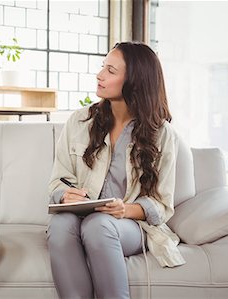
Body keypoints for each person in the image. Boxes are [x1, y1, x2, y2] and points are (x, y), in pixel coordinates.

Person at [47, 41, 185, 299]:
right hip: (79, 217)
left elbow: (162, 205)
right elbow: (58, 181)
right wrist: (66, 195)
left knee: (99, 225)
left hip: (129, 225)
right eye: (103, 67)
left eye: (111, 70)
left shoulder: (161, 134)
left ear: (135, 80)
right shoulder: (79, 121)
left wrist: (125, 209)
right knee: (60, 223)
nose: (100, 75)